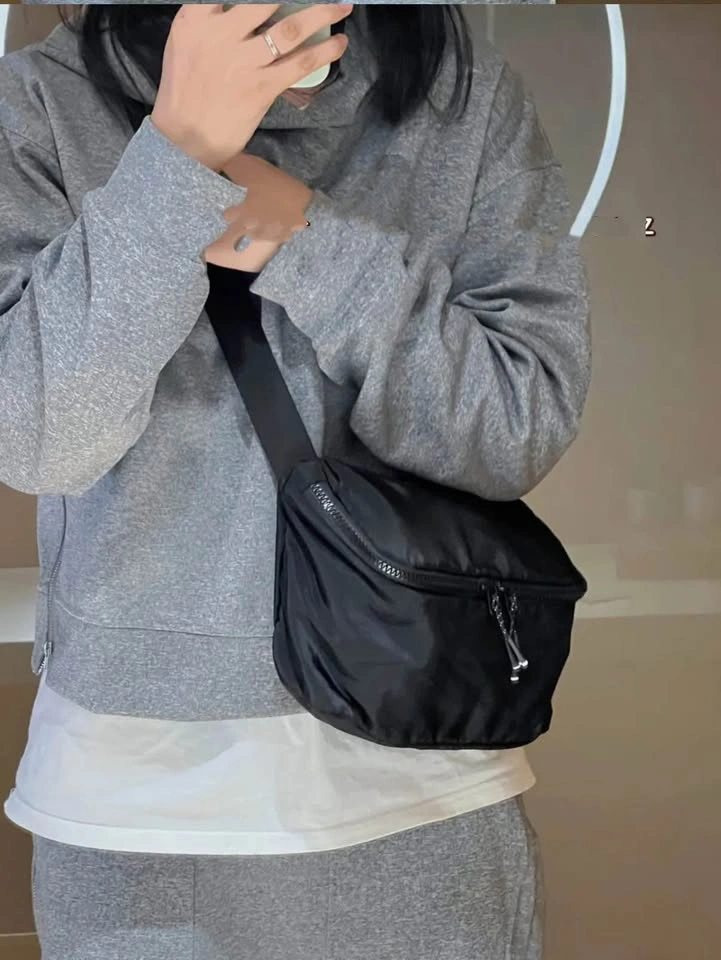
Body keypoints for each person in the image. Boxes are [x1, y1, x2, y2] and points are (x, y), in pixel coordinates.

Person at [0, 4, 591, 959]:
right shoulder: (39, 104)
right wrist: (177, 156)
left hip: (420, 778)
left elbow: (513, 425)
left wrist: (304, 238)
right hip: (134, 805)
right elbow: (35, 440)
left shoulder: (462, 101)